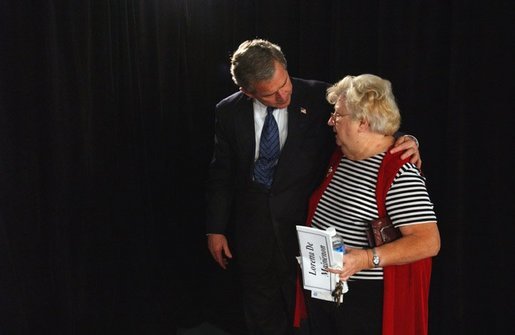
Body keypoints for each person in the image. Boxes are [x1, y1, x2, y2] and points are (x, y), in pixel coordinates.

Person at [206, 39, 421, 335]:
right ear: (248, 91)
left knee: (305, 314)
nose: (284, 95)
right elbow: (222, 171)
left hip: (303, 231)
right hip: (253, 229)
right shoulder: (228, 111)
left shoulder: (319, 96)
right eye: (271, 94)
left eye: (285, 83)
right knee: (260, 309)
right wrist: (215, 228)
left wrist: (405, 140)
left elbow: (368, 121)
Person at [305, 74, 441, 334]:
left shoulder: (400, 172)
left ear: (363, 123)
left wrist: (367, 258)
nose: (330, 121)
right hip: (330, 288)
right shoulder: (344, 156)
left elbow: (428, 242)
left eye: (338, 115)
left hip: (367, 301)